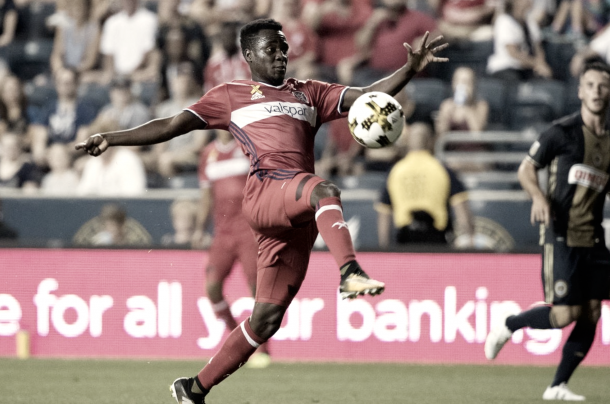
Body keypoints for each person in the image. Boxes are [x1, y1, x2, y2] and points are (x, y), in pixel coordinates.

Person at [76, 18, 447, 404]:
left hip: (298, 214)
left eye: (284, 48)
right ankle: (349, 271)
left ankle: (193, 388)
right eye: (272, 49)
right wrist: (111, 138)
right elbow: (173, 124)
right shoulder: (231, 94)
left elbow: (368, 96)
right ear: (249, 55)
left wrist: (408, 70)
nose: (281, 55)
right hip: (268, 192)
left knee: (265, 319)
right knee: (325, 188)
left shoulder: (310, 92)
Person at [484, 62, 610, 401]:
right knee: (566, 313)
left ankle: (557, 386)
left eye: (603, 85)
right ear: (581, 91)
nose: (597, 91)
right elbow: (527, 169)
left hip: (594, 237)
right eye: (591, 85)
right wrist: (538, 196)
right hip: (562, 233)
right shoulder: (562, 132)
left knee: (593, 310)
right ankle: (510, 324)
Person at [192, 128, 270, 368]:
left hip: (249, 231)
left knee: (257, 290)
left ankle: (262, 349)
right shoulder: (208, 154)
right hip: (222, 234)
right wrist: (199, 228)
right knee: (212, 287)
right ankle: (237, 337)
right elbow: (207, 196)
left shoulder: (248, 147)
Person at [375, 122, 475, 249]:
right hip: (436, 240)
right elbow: (463, 214)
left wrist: (384, 249)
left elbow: (384, 215)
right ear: (431, 141)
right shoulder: (443, 170)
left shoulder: (395, 172)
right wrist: (469, 243)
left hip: (405, 240)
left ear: (408, 142)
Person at [486, 0, 553, 81]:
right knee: (514, 80)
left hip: (526, 67)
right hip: (506, 66)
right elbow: (513, 53)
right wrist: (536, 63)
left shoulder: (530, 21)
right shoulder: (504, 20)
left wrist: (542, 64)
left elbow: (538, 48)